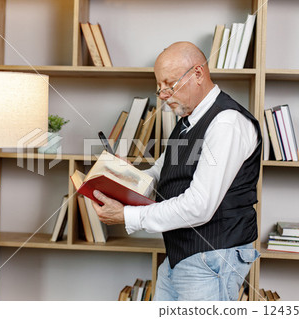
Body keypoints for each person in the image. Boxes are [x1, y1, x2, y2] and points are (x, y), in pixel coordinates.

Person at [91, 41, 261, 301]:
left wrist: (126, 216)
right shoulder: (187, 120)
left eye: (170, 84)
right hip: (181, 255)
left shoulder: (226, 123)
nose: (162, 95)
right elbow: (163, 169)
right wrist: (124, 175)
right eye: (159, 87)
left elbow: (199, 207)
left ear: (198, 74)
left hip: (212, 259)